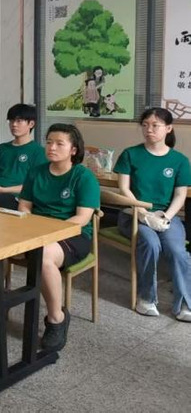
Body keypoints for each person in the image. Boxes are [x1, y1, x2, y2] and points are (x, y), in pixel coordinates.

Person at [18, 123, 100, 353]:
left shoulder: (83, 176)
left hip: (73, 235)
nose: (51, 147)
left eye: (59, 143)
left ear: (73, 149)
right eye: (49, 142)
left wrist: (48, 233)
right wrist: (30, 225)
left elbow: (82, 218)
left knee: (43, 256)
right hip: (36, 231)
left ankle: (56, 318)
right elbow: (24, 206)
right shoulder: (36, 172)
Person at [114, 107, 191, 321]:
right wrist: (144, 214)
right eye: (145, 125)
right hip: (134, 214)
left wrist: (165, 217)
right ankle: (146, 298)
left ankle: (185, 303)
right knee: (150, 243)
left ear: (168, 128)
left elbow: (180, 195)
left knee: (177, 250)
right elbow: (124, 189)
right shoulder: (130, 154)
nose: (149, 129)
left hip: (167, 216)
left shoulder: (179, 160)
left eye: (155, 125)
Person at [0, 103, 47, 210]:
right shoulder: (1, 148)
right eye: (11, 121)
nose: (14, 124)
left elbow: (35, 186)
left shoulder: (39, 152)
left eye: (19, 121)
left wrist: (2, 190)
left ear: (31, 124)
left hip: (15, 197)